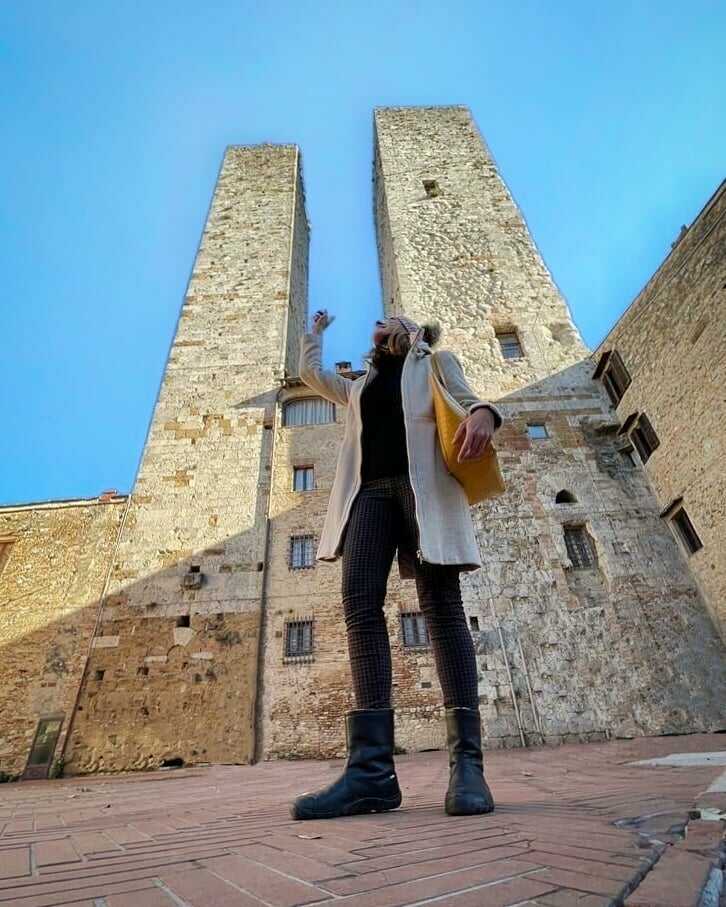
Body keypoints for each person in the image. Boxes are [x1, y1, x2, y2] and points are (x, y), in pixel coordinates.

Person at [291, 310, 503, 820]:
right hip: (369, 495)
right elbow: (310, 377)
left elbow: (471, 401)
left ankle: (467, 768)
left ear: (411, 329)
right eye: (378, 320)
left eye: (392, 319)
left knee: (442, 608)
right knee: (360, 607)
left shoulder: (434, 362)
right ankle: (371, 774)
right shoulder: (360, 385)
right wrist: (314, 336)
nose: (380, 323)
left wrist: (485, 415)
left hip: (421, 491)